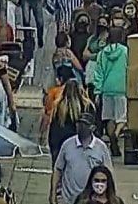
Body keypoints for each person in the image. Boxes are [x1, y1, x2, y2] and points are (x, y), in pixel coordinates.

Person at [50, 112, 113, 204]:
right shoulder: (67, 144)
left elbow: (108, 173)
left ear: (93, 128)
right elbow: (58, 170)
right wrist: (53, 194)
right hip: (68, 199)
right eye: (79, 124)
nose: (81, 127)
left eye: (85, 124)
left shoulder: (101, 147)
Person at [94, 27, 129, 157]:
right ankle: (116, 134)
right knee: (122, 118)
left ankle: (111, 136)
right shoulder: (125, 52)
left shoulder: (102, 53)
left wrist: (98, 90)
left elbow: (98, 73)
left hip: (106, 89)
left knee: (109, 117)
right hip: (121, 88)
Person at [42, 79, 96, 163]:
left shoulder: (59, 106)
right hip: (81, 142)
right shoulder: (87, 106)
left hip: (61, 142)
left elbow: (54, 128)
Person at [83, 16, 110, 96]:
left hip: (104, 70)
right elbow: (84, 55)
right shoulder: (92, 38)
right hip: (91, 70)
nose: (101, 25)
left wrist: (92, 55)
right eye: (99, 23)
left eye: (104, 23)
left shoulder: (110, 39)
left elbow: (106, 55)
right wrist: (97, 56)